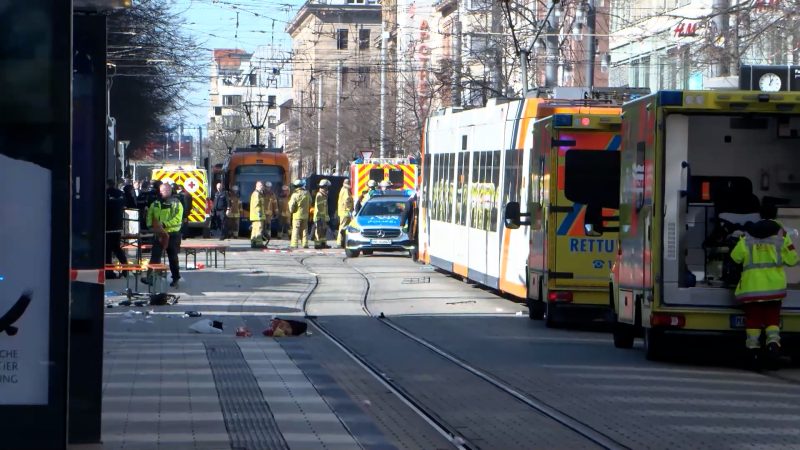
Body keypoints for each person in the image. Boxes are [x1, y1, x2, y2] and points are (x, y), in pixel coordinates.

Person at [731, 204, 798, 367]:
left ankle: (753, 351)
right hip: (774, 289)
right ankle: (773, 344)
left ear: (759, 214)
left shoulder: (748, 234)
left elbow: (735, 257)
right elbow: (792, 259)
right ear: (775, 214)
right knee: (772, 318)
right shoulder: (781, 234)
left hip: (752, 288)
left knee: (753, 319)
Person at [144, 183, 184, 288]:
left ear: (169, 191)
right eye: (161, 190)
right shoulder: (156, 203)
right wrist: (149, 225)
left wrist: (165, 224)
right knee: (155, 256)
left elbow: (177, 219)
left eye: (164, 191)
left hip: (172, 234)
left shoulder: (176, 204)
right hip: (160, 233)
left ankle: (176, 278)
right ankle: (150, 278)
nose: (161, 192)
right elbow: (150, 214)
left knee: (173, 257)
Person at [105, 179, 129, 279]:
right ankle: (125, 268)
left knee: (107, 250)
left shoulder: (105, 193)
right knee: (117, 248)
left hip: (107, 225)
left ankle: (109, 272)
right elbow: (125, 205)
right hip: (118, 225)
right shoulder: (121, 194)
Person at [288, 179, 311, 249]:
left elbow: (291, 206)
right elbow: (310, 201)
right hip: (305, 215)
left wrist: (291, 211)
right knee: (304, 230)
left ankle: (294, 244)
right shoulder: (307, 193)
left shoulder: (294, 195)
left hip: (296, 216)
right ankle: (305, 244)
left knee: (295, 229)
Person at [314, 179, 331, 249]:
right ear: (324, 187)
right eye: (327, 187)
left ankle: (323, 243)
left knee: (324, 231)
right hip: (319, 217)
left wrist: (326, 216)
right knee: (318, 231)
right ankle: (318, 244)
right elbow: (319, 208)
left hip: (324, 217)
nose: (328, 189)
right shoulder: (319, 195)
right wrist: (321, 217)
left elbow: (325, 208)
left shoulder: (324, 195)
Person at [249, 181, 267, 248]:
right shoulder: (257, 194)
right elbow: (257, 204)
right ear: (256, 186)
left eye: (262, 186)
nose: (262, 187)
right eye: (260, 186)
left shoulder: (257, 193)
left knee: (254, 229)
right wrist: (259, 214)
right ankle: (259, 243)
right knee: (259, 229)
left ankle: (253, 242)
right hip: (258, 215)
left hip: (255, 215)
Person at [337, 179, 354, 248]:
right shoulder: (346, 191)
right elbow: (347, 201)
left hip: (343, 212)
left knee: (343, 227)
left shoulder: (342, 190)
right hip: (345, 212)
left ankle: (342, 241)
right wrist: (349, 210)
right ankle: (340, 242)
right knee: (343, 227)